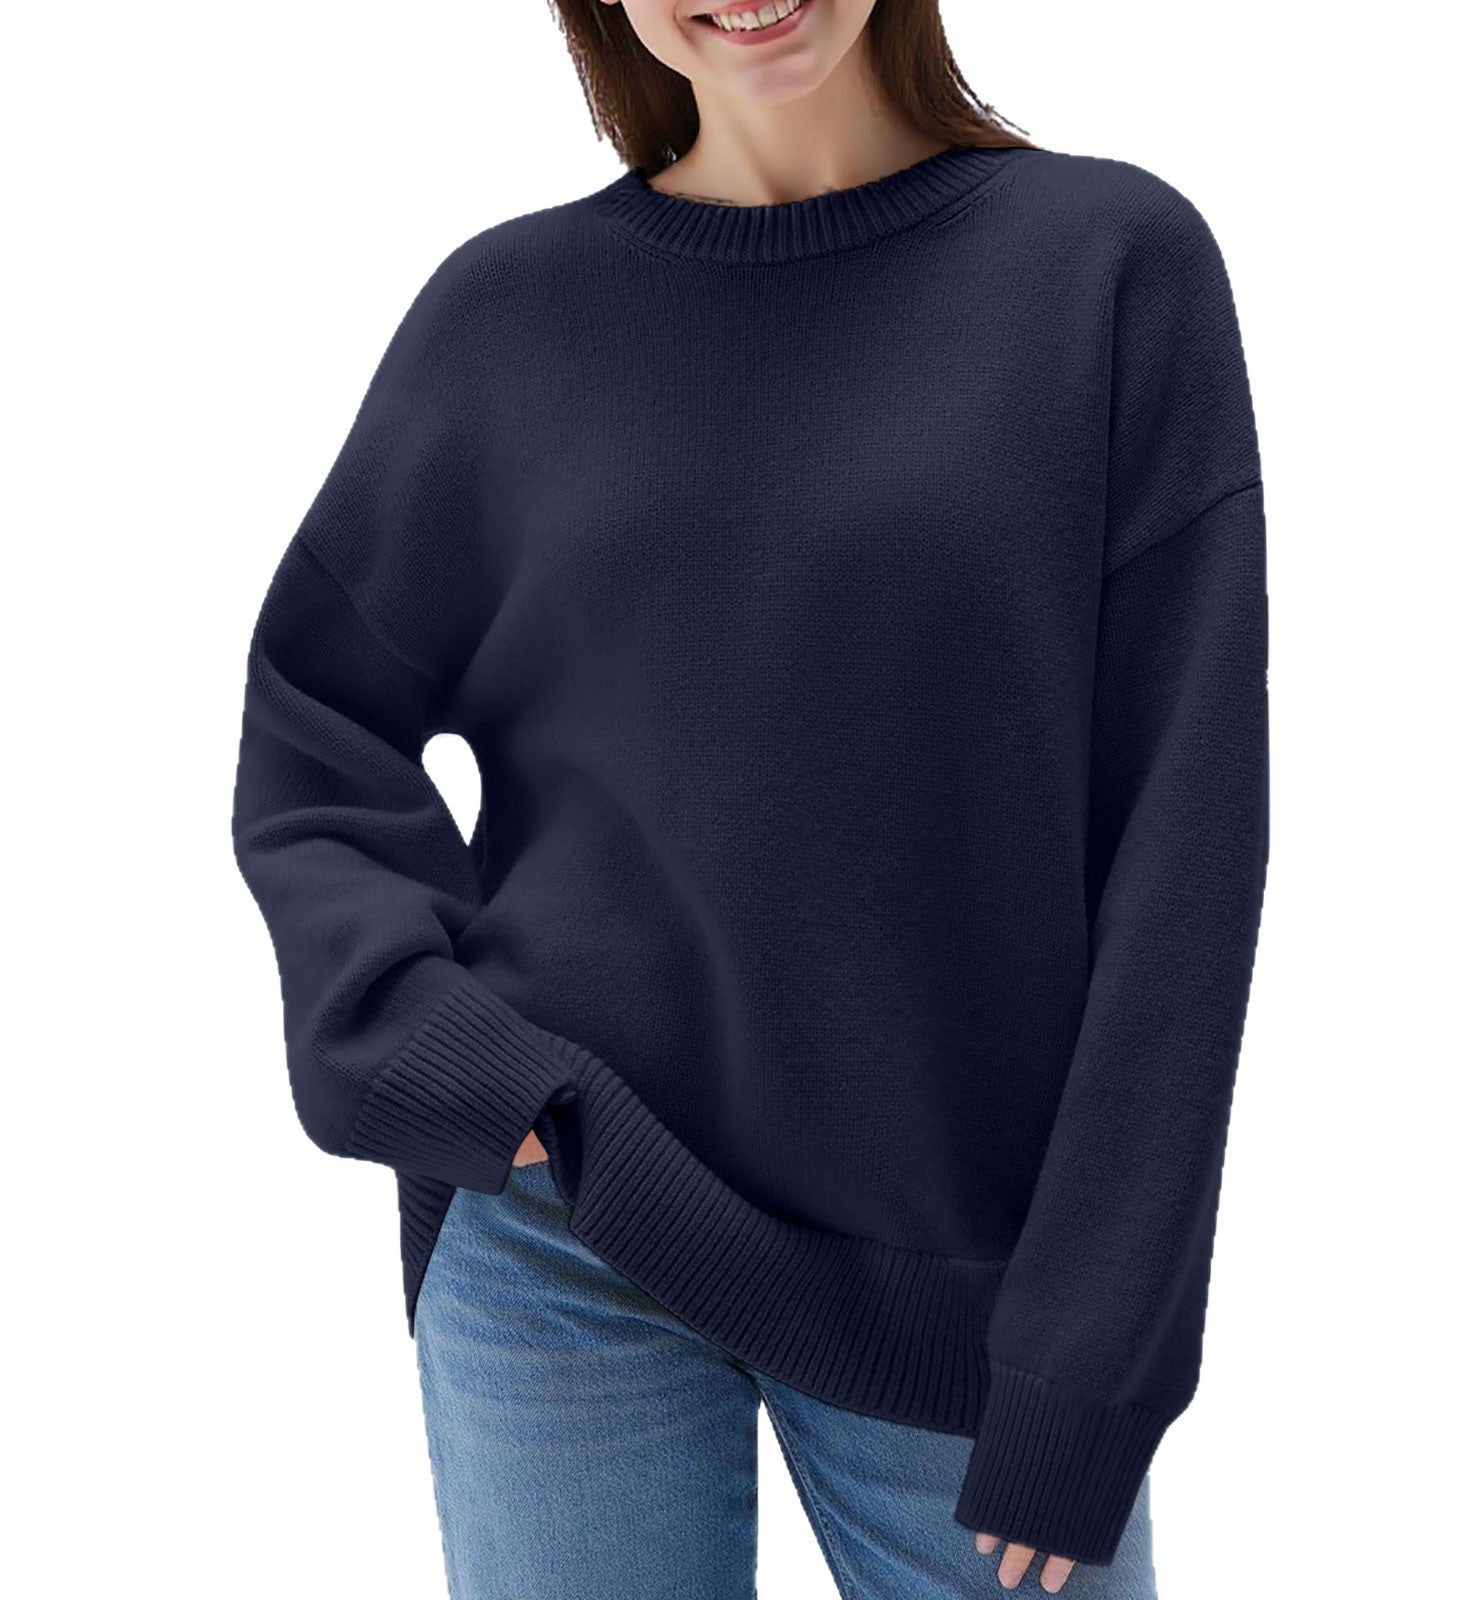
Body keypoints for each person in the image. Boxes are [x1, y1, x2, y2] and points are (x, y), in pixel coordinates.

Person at [229, 0, 1269, 1594]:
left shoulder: (1106, 268)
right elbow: (317, 720)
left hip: (959, 1272)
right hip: (563, 1216)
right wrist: (438, 1051)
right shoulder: (507, 314)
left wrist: (1095, 1358)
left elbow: (1184, 848)